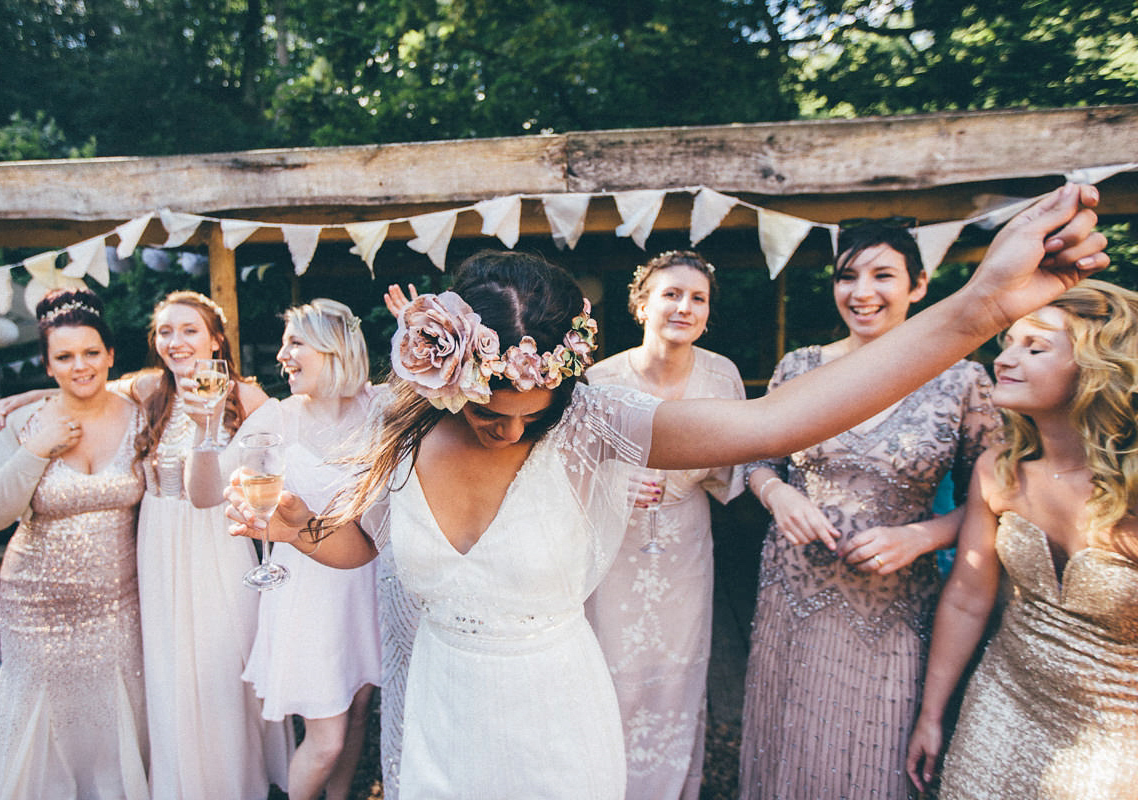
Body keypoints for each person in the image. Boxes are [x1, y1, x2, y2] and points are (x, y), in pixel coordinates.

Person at [225, 184, 1106, 799]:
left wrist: (981, 306)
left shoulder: (595, 422)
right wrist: (296, 523)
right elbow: (362, 544)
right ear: (449, 377)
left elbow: (783, 422)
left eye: (533, 414)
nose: (509, 428)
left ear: (566, 385)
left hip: (556, 718)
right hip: (443, 713)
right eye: (490, 412)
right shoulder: (400, 430)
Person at [0, 289, 294, 799]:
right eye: (166, 332)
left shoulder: (248, 397)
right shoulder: (152, 388)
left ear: (216, 337)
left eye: (189, 330)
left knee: (222, 663)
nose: (176, 342)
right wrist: (23, 398)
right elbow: (85, 385)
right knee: (169, 671)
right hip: (157, 547)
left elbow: (288, 448)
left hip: (216, 545)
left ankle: (231, 782)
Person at [738, 220, 1003, 798]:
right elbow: (752, 462)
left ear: (919, 285)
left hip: (892, 606)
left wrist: (925, 537)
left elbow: (999, 501)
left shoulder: (962, 381)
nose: (862, 292)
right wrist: (777, 494)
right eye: (848, 276)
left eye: (883, 275)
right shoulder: (800, 367)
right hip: (792, 594)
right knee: (788, 749)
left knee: (874, 758)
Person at [905, 280, 1138, 800]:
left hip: (1116, 734)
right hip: (1002, 703)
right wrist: (933, 713)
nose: (1006, 359)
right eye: (1008, 343)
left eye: (1035, 348)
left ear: (1097, 368)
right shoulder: (1000, 471)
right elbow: (967, 599)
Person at [192, 299, 381, 800]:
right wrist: (205, 429)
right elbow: (210, 493)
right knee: (325, 740)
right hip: (307, 594)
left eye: (294, 341)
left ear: (335, 346)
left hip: (369, 584)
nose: (282, 354)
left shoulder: (379, 408)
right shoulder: (276, 417)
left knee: (359, 712)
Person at [0, 289, 149, 799]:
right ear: (47, 365)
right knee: (43, 730)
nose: (81, 366)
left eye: (91, 353)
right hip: (36, 612)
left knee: (113, 724)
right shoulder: (23, 424)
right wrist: (34, 449)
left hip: (117, 608)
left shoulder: (139, 415)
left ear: (111, 355)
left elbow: (184, 376)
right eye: (64, 357)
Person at [584, 250, 747, 799]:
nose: (685, 307)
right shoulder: (599, 381)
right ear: (641, 304)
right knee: (612, 668)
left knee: (678, 672)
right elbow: (565, 475)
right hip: (614, 546)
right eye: (671, 294)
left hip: (684, 543)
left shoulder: (723, 377)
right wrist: (611, 486)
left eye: (697, 298)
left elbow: (732, 468)